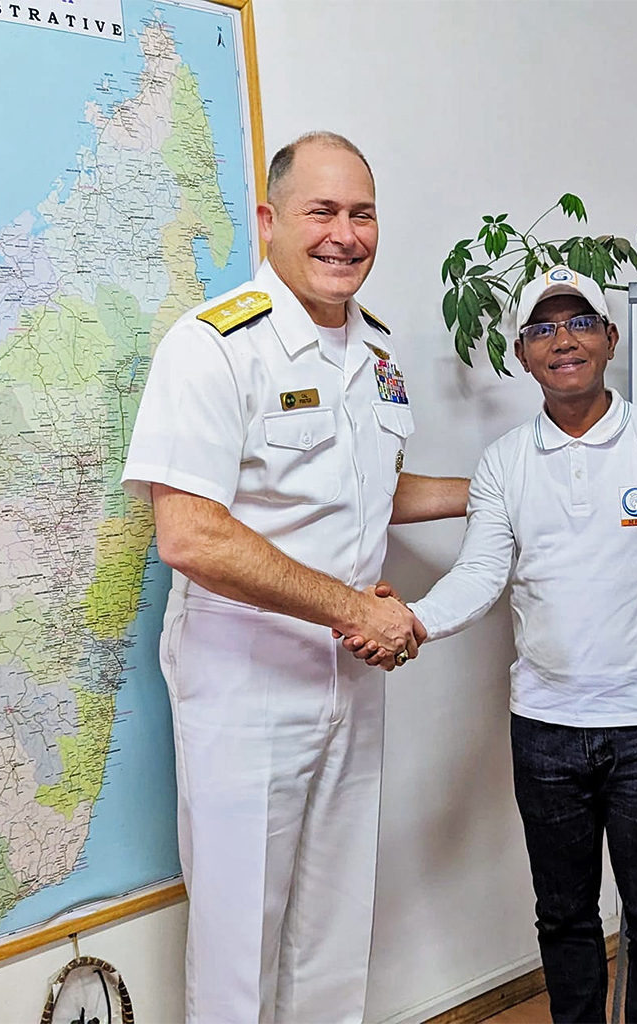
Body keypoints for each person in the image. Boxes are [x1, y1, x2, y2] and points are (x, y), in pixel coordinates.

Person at [122, 131, 467, 1024]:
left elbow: (373, 496)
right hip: (246, 685)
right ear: (271, 222)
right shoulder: (213, 346)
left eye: (362, 213)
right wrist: (355, 605)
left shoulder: (375, 354)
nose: (344, 235)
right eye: (322, 212)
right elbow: (190, 535)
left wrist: (500, 489)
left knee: (334, 932)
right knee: (240, 946)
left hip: (354, 676)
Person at [343, 266, 637, 1023]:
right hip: (548, 734)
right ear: (523, 355)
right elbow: (482, 574)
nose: (564, 340)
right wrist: (415, 619)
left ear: (609, 339)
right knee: (563, 918)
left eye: (579, 322)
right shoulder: (504, 463)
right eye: (543, 329)